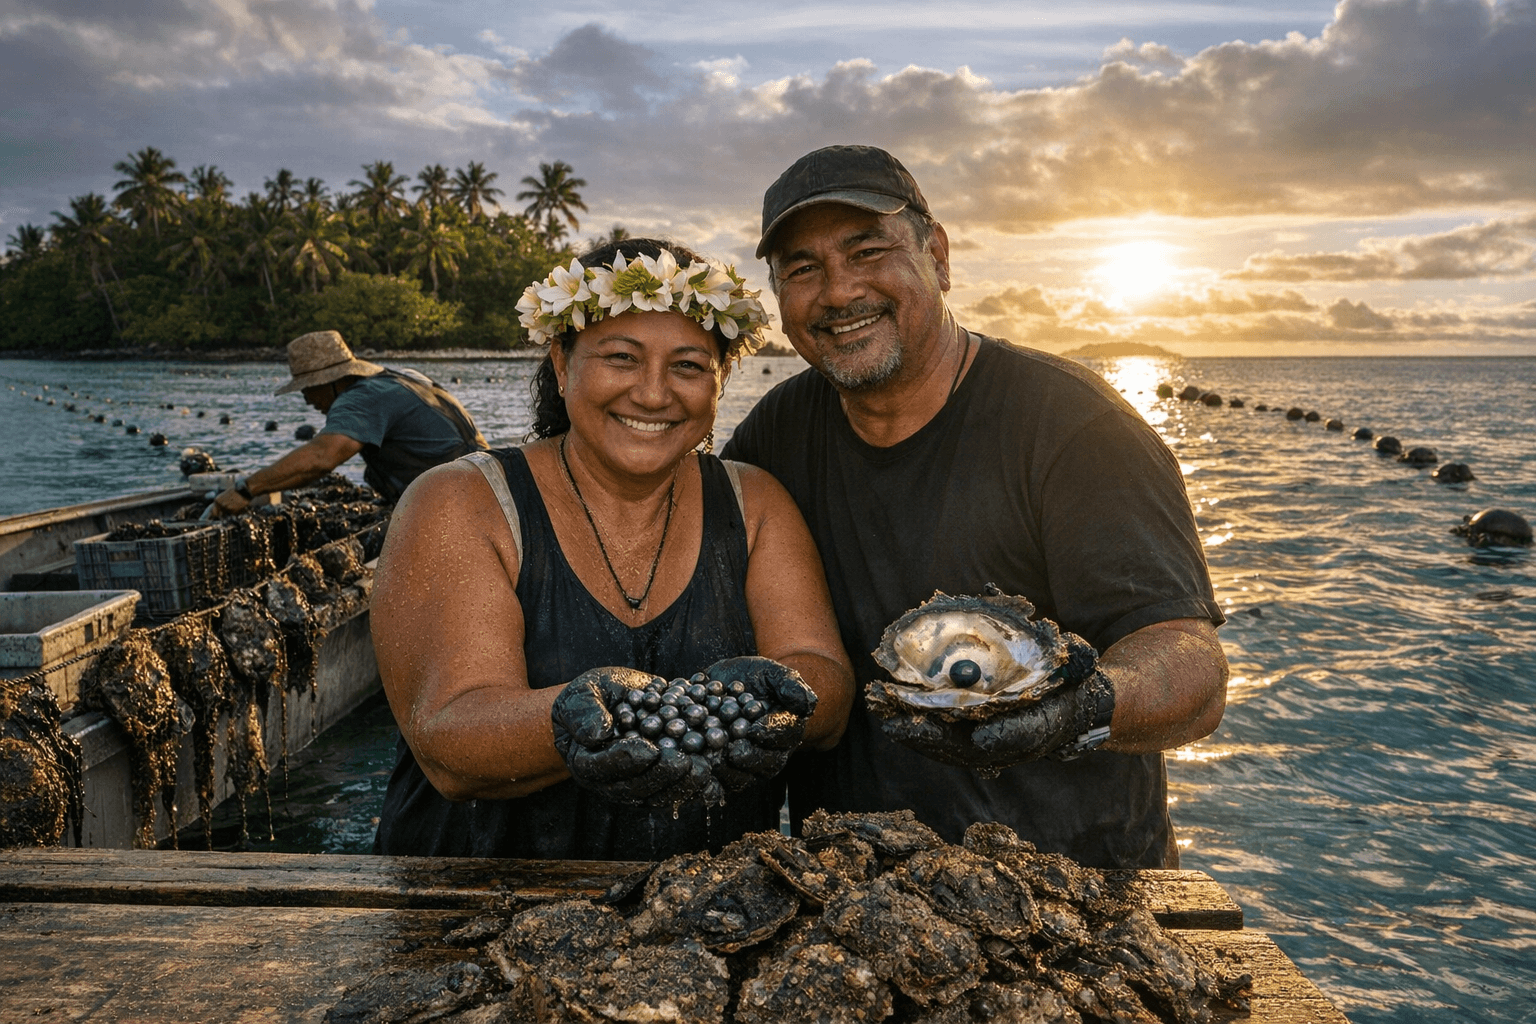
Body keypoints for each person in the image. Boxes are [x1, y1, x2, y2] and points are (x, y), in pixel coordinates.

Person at [721, 146, 1228, 869]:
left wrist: (1077, 710)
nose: (837, 292)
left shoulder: (1075, 425)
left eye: (869, 251)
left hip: (1074, 894)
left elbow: (1192, 667)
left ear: (938, 256)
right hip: (850, 894)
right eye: (803, 269)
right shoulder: (778, 431)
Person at [369, 238, 854, 859]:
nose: (653, 394)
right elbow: (450, 744)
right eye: (622, 358)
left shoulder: (754, 503)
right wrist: (588, 717)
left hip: (703, 908)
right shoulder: (461, 502)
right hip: (474, 902)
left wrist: (772, 695)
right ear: (562, 363)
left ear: (720, 381)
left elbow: (824, 681)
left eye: (687, 366)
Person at [211, 330, 487, 513]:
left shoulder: (361, 397)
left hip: (460, 503)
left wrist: (248, 488)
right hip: (485, 486)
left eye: (309, 388)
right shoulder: (400, 379)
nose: (307, 399)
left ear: (332, 381)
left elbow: (322, 457)